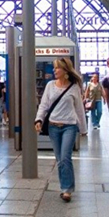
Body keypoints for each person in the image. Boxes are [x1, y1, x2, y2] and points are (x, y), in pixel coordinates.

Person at [34, 57, 86, 202]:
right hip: (53, 127)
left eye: (57, 68)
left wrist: (83, 129)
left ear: (65, 70)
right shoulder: (50, 85)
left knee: (65, 157)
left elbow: (79, 109)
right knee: (60, 160)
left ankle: (67, 189)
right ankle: (66, 186)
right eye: (54, 67)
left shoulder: (74, 88)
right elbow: (44, 105)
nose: (54, 70)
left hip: (69, 126)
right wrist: (38, 119)